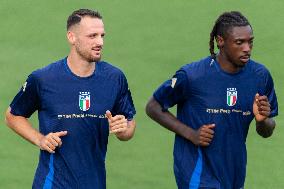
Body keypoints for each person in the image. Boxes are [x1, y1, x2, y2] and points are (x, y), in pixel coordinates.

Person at [5, 9, 136, 189]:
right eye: (92, 36)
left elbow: (129, 124)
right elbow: (12, 116)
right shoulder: (43, 79)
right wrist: (40, 139)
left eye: (102, 35)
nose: (100, 42)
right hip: (52, 184)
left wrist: (123, 130)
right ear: (72, 37)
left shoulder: (114, 78)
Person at [146, 11, 278, 189]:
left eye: (250, 41)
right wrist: (191, 133)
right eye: (239, 42)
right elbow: (153, 106)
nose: (247, 48)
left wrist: (262, 120)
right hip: (196, 172)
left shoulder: (260, 77)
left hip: (233, 172)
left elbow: (267, 130)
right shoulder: (192, 75)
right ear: (220, 41)